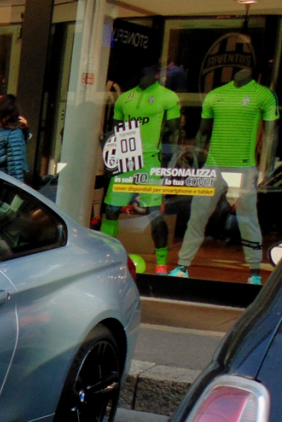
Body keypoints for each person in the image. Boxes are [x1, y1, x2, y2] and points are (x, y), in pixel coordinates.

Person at [170, 66, 278, 285]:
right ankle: (182, 266)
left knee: (248, 219)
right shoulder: (216, 95)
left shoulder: (263, 95)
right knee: (198, 215)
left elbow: (270, 134)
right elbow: (202, 131)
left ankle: (254, 271)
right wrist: (198, 164)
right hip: (213, 166)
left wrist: (265, 167)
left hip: (244, 166)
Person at [100, 65, 182, 273]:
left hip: (151, 160)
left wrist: (172, 160)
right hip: (127, 160)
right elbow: (114, 132)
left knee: (154, 212)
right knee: (111, 210)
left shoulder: (168, 97)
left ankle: (161, 264)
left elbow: (174, 131)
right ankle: (103, 258)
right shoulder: (124, 98)